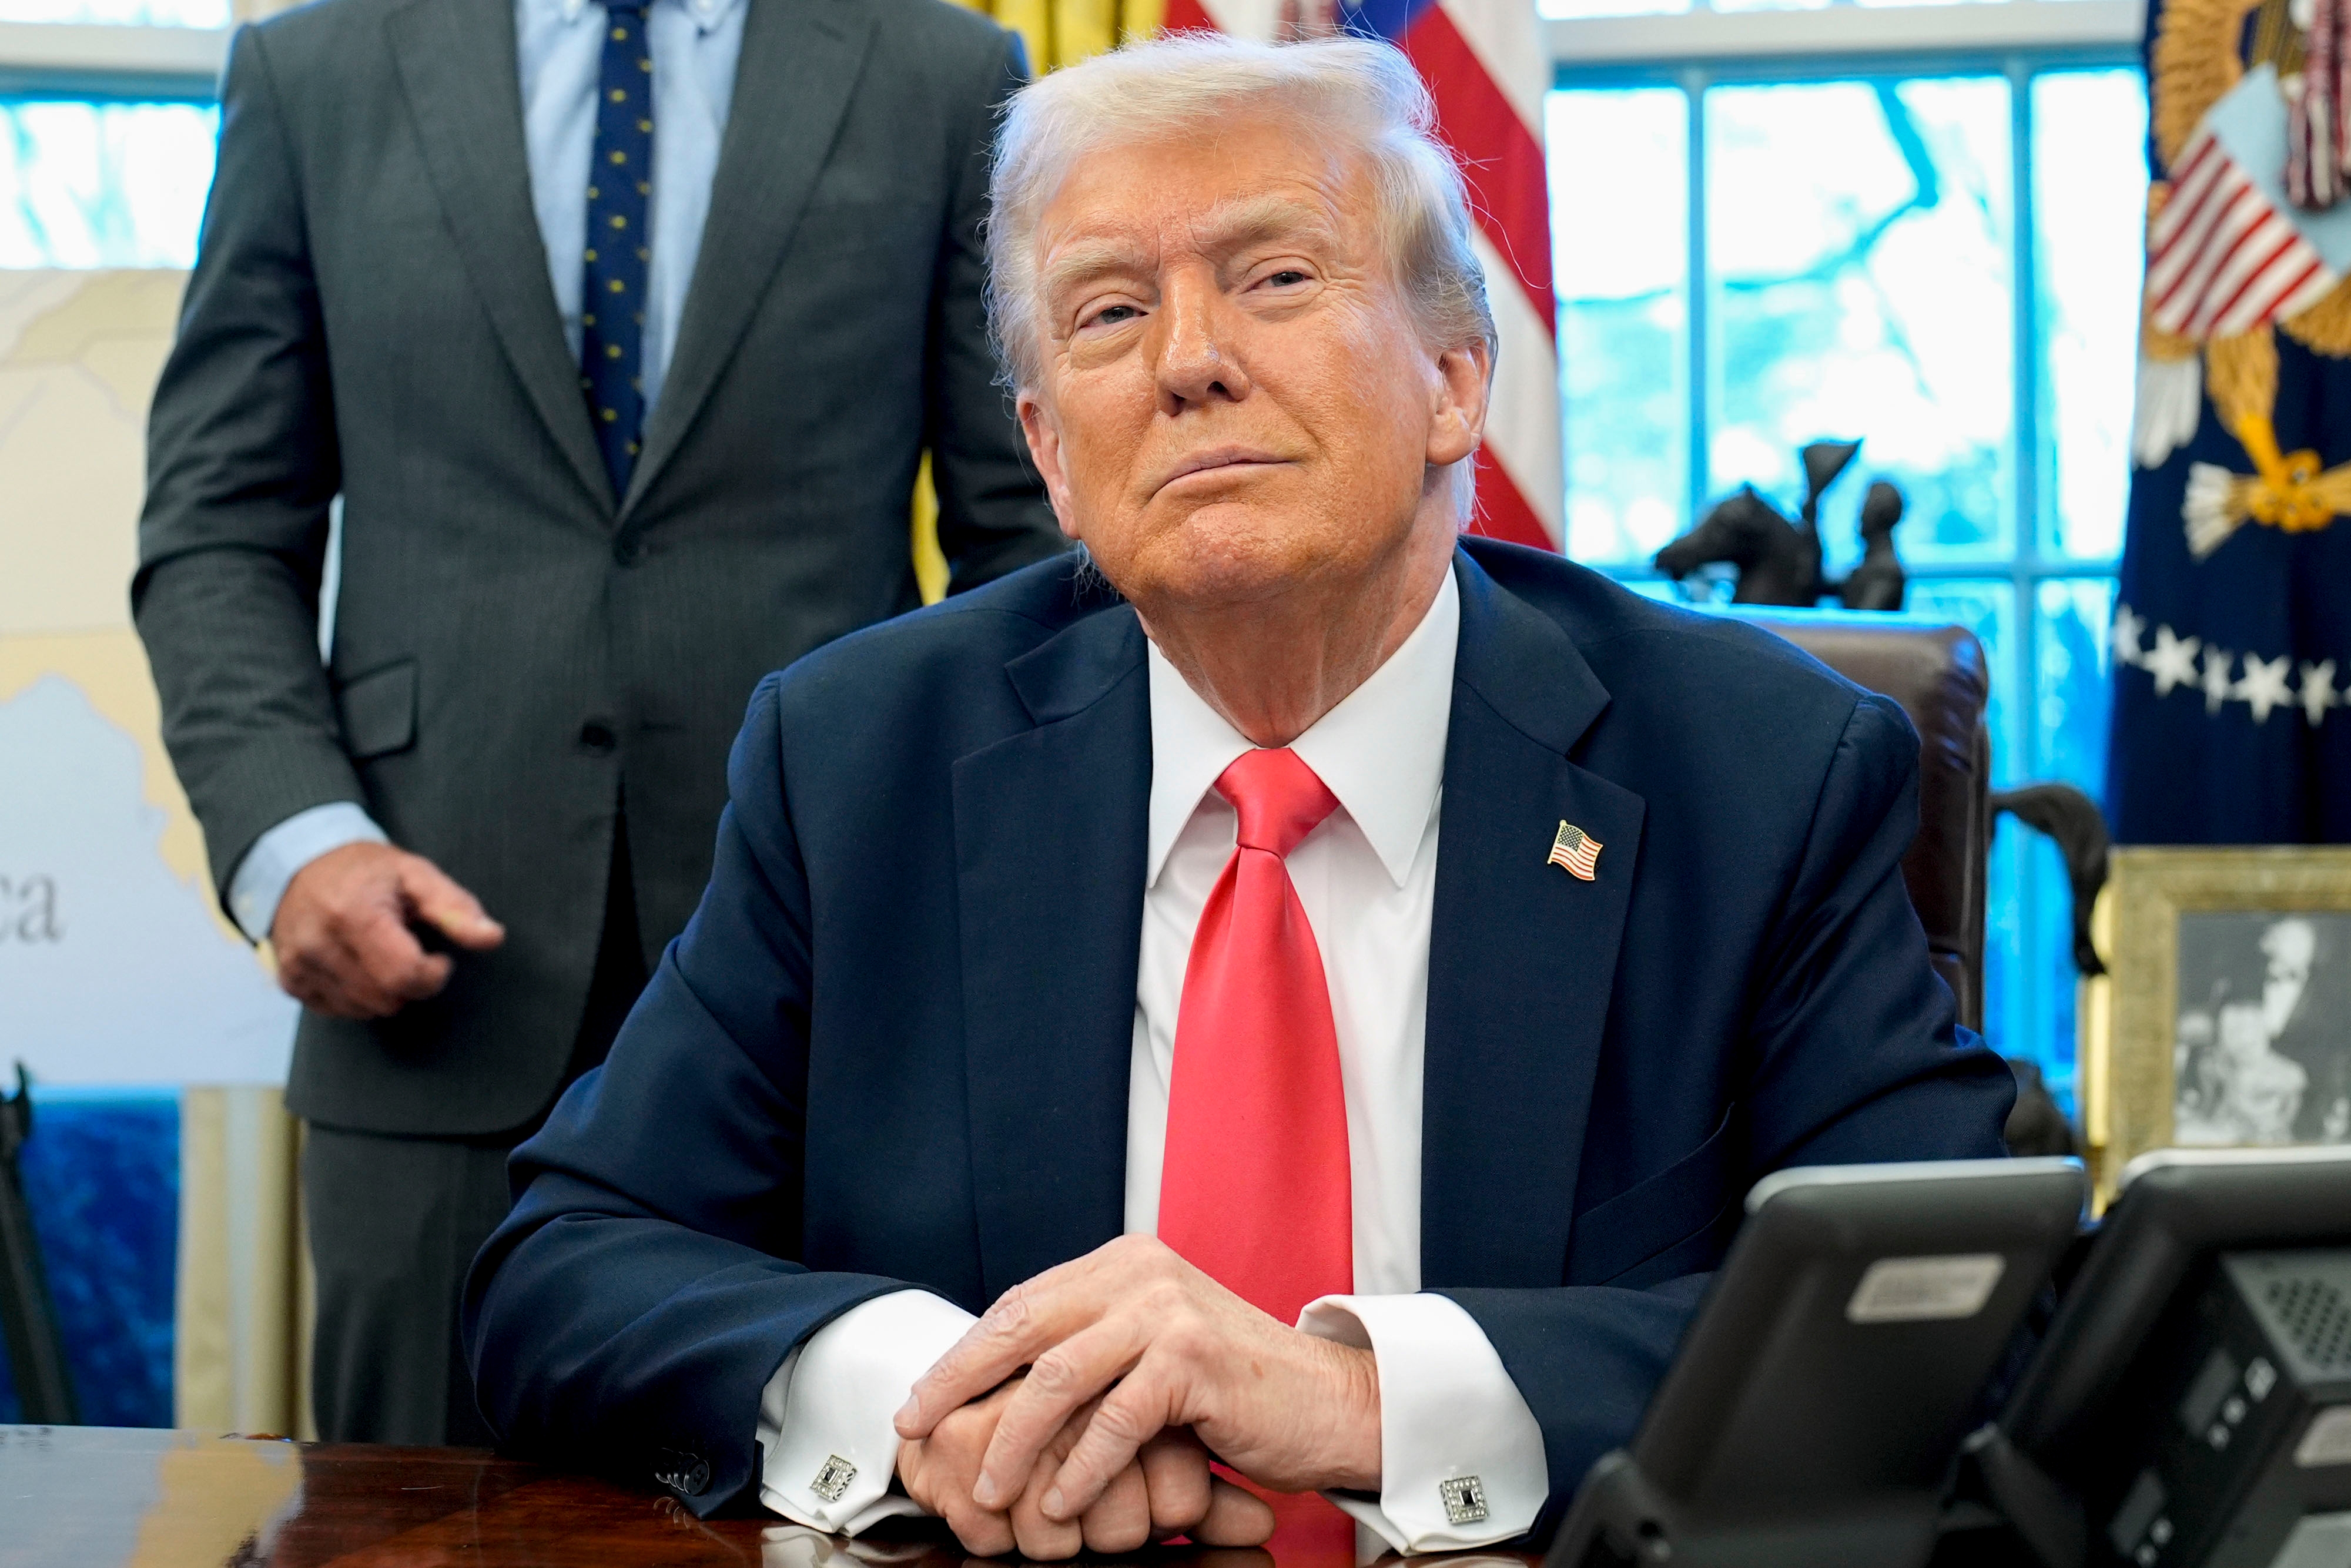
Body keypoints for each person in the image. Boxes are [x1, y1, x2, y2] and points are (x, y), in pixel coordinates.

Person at [463, 32, 2015, 1556]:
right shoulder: (861, 758)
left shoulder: (1755, 772)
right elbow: (560, 1269)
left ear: (1456, 381)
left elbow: (1951, 1315)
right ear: (1054, 460)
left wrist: (1355, 1398)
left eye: (1274, 278)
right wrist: (954, 1406)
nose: (1186, 359)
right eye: (1110, 310)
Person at [133, 0, 1063, 1445]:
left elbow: (1032, 529)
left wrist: (958, 867)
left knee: (861, 1485)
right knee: (407, 1529)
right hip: (430, 978)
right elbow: (215, 528)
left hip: (846, 979)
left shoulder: (940, 71)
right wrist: (294, 840)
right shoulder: (311, 67)